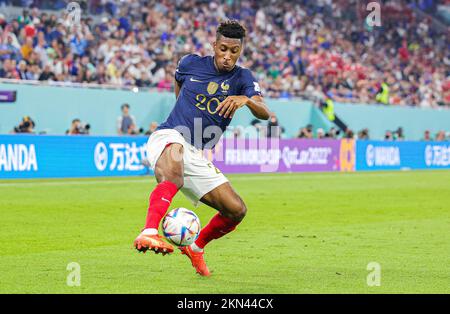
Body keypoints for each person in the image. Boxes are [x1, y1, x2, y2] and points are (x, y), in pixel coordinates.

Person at [133, 20, 270, 277]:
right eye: (223, 49)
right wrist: (182, 116)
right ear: (214, 45)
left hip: (196, 151)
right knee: (173, 166)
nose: (227, 56)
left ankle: (196, 247)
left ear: (240, 51)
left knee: (236, 210)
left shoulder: (243, 78)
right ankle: (149, 231)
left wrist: (246, 100)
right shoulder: (190, 63)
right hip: (170, 135)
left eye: (234, 51)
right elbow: (179, 84)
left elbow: (265, 113)